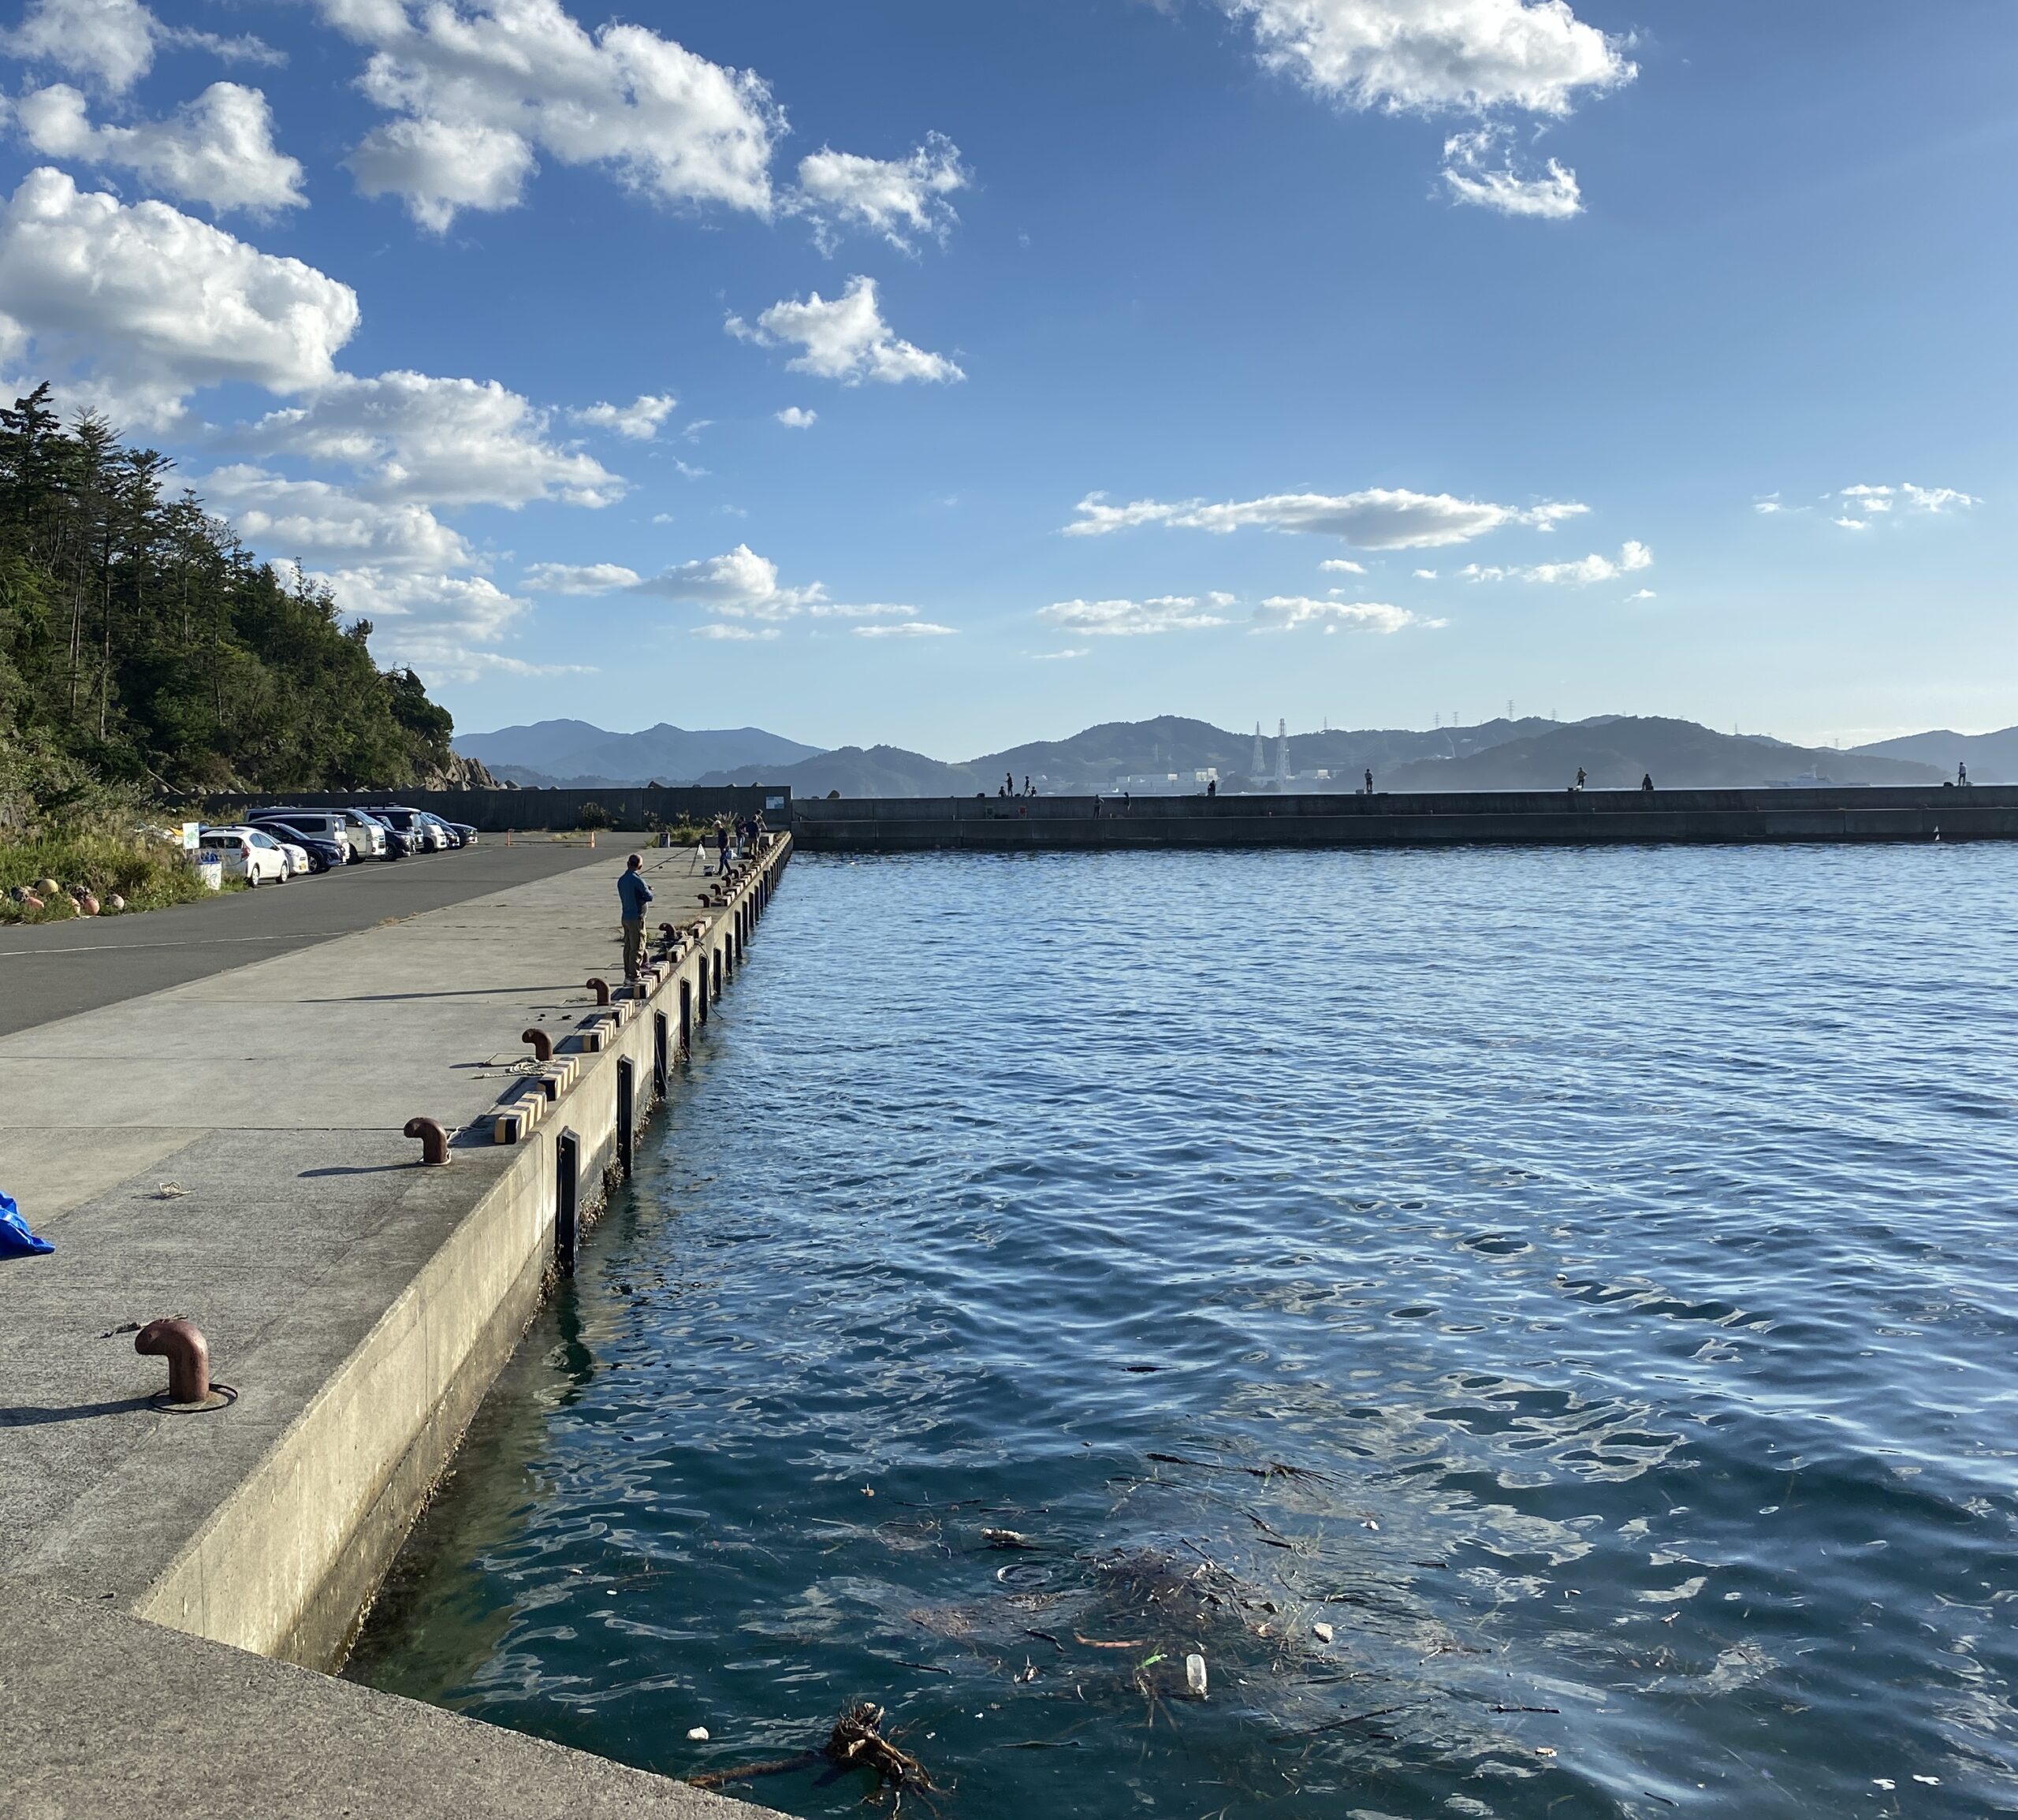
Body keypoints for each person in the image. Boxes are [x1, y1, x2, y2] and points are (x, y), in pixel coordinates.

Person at [617, 854, 653, 983]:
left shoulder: (622, 879)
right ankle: (634, 975)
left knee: (628, 947)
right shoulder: (638, 880)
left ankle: (628, 975)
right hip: (636, 918)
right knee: (637, 947)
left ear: (628, 864)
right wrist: (648, 889)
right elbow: (649, 897)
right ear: (640, 866)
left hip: (625, 916)